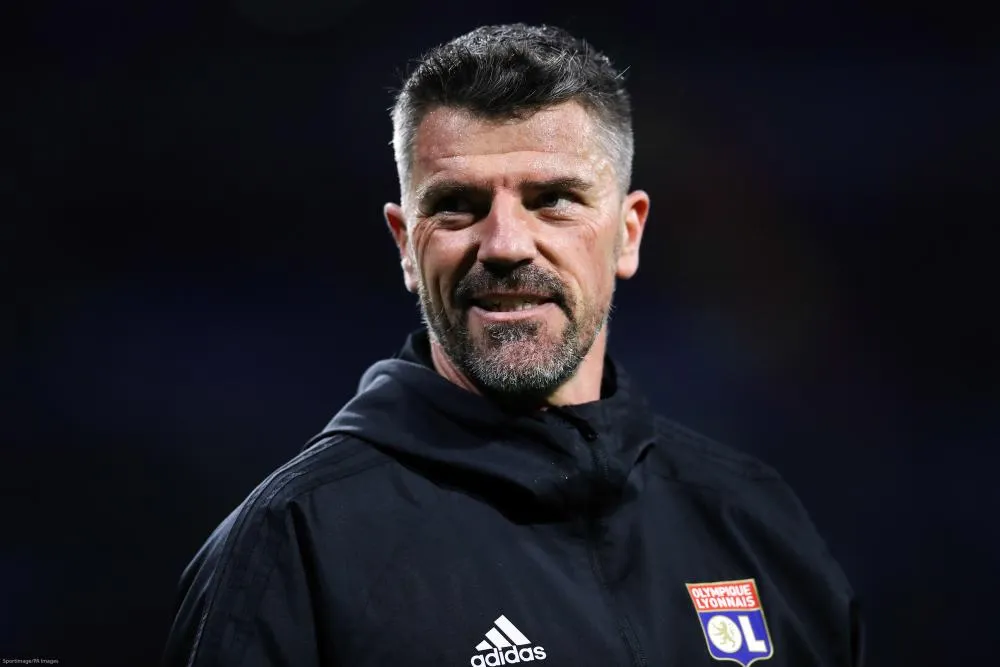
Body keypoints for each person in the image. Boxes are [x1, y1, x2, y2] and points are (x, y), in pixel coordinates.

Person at [162, 23, 864, 667]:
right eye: (457, 206)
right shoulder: (297, 545)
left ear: (628, 233)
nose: (504, 244)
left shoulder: (755, 520)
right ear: (406, 245)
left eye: (552, 199)